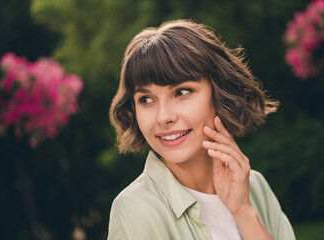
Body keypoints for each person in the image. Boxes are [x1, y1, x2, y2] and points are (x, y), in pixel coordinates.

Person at [108, 19, 295, 240]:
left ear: (218, 92)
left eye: (182, 92)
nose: (164, 117)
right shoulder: (135, 209)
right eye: (146, 99)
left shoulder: (256, 187)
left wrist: (244, 212)